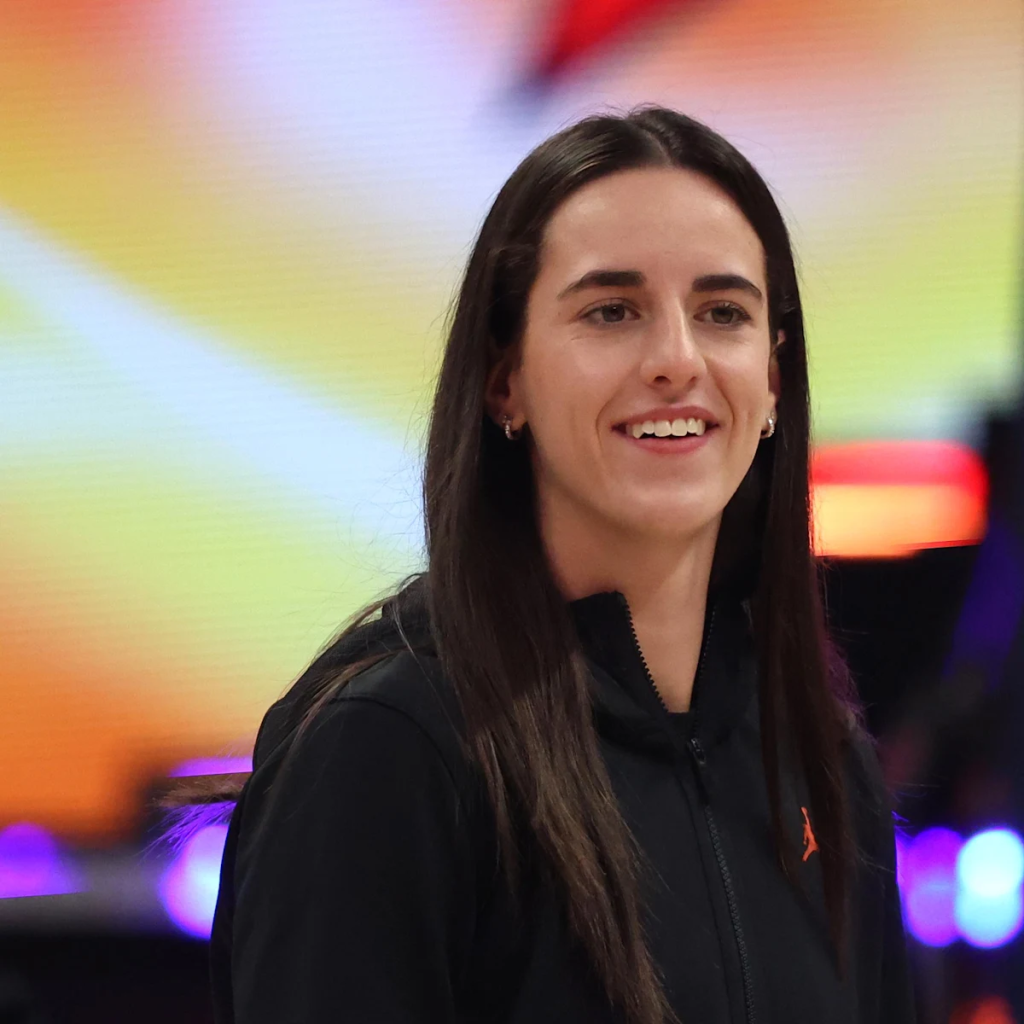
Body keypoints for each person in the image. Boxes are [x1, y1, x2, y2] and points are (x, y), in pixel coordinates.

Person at [205, 106, 915, 1023]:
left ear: (773, 379)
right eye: (611, 311)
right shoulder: (390, 751)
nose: (677, 360)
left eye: (723, 313)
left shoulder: (826, 766)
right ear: (504, 380)